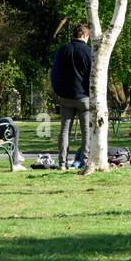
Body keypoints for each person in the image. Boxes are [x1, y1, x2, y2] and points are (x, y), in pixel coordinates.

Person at [49, 24, 92, 169]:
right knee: (86, 131)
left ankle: (62, 162)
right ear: (85, 35)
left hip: (65, 96)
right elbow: (92, 76)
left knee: (64, 130)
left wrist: (57, 90)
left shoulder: (63, 50)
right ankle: (84, 160)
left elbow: (54, 73)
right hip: (83, 97)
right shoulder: (88, 51)